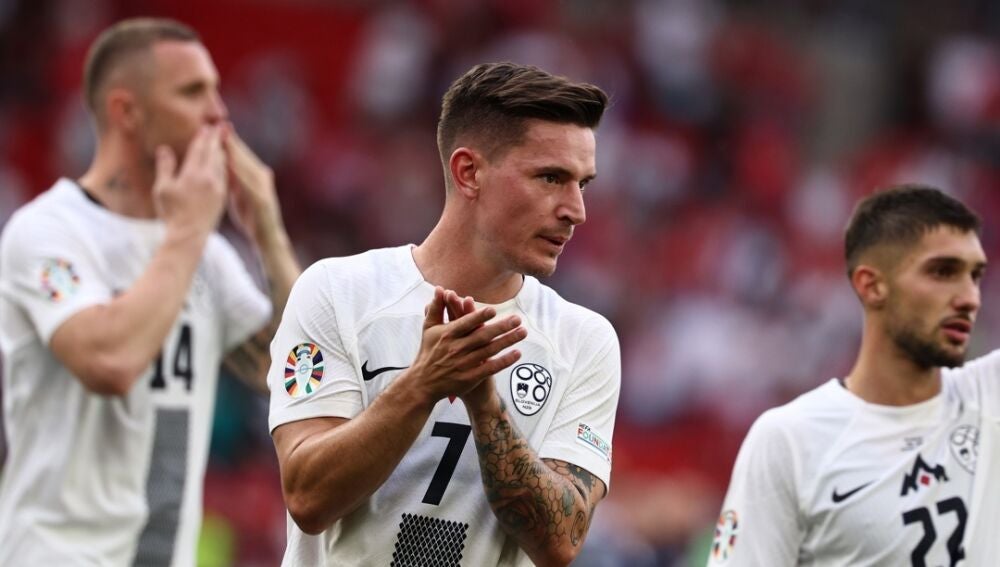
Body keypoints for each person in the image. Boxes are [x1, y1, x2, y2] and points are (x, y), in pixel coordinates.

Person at [268, 62, 621, 566]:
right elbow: (307, 498)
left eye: (582, 184)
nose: (576, 210)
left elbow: (559, 543)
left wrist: (486, 407)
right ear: (469, 172)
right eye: (551, 178)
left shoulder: (583, 340)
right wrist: (423, 383)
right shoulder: (337, 292)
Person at [0, 18, 301, 566]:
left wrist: (269, 233)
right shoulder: (46, 234)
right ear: (126, 112)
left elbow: (296, 374)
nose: (219, 113)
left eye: (216, 90)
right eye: (192, 92)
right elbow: (109, 362)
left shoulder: (206, 254)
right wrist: (187, 232)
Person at [710, 185, 1000, 566]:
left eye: (975, 276)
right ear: (872, 285)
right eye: (943, 272)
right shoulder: (790, 441)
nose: (969, 298)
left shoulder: (989, 395)